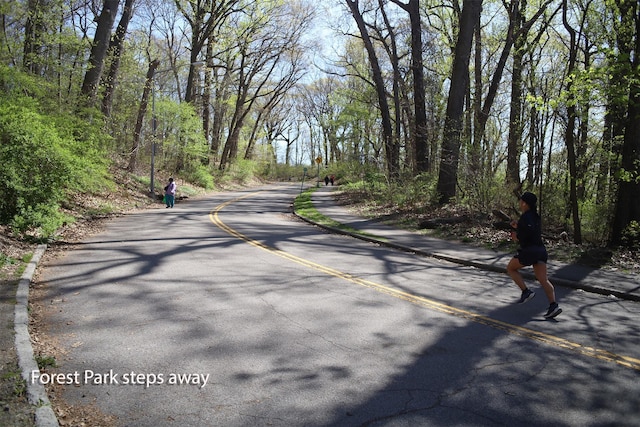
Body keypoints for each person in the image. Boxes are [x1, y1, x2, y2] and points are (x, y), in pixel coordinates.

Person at [506, 191, 562, 319]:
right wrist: (518, 226)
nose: (519, 203)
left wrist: (516, 236)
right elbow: (530, 230)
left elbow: (526, 234)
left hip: (530, 251)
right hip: (541, 251)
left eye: (521, 201)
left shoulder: (525, 217)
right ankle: (553, 305)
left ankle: (526, 292)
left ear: (525, 203)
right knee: (543, 279)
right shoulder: (536, 216)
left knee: (511, 268)